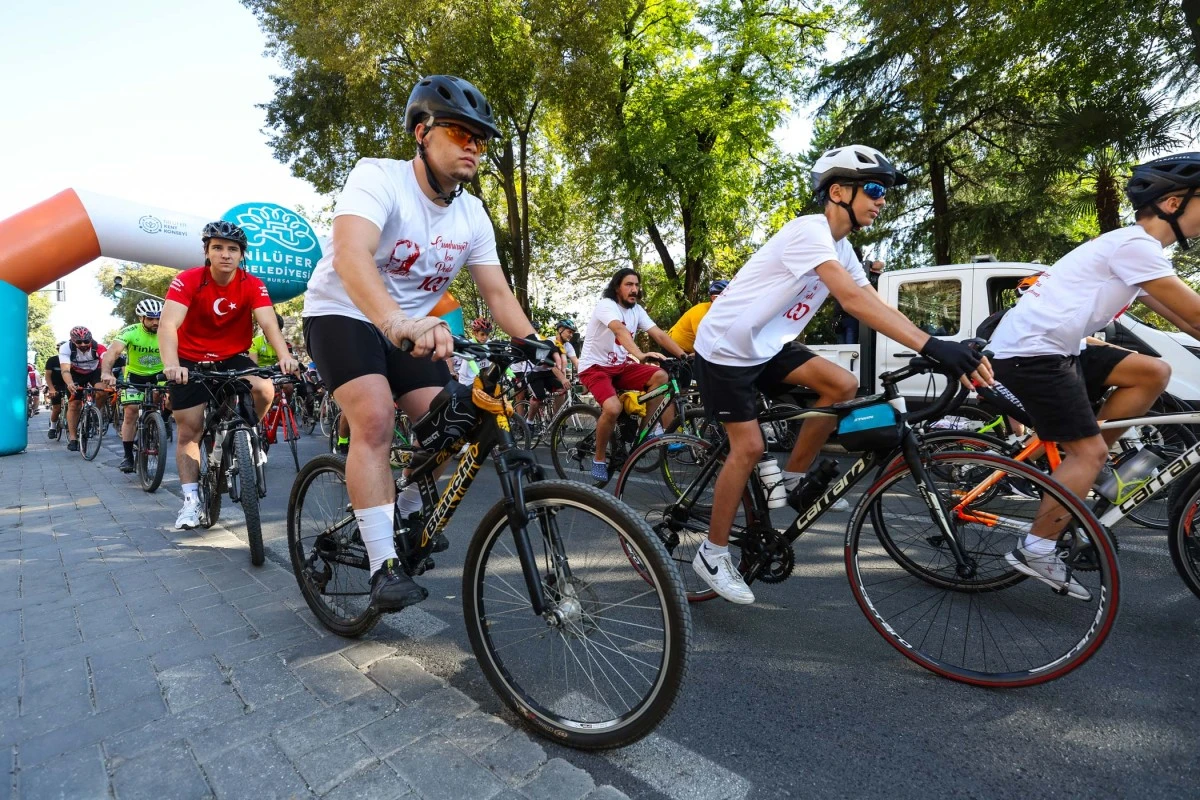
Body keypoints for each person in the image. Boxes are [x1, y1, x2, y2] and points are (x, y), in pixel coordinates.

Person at [301, 75, 558, 614]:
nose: (473, 145)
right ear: (422, 131)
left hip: (413, 328)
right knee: (372, 419)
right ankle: (381, 566)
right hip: (343, 312)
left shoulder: (472, 214)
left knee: (459, 420)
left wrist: (538, 344)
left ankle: (410, 502)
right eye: (460, 132)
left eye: (480, 138)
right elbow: (350, 255)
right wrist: (397, 320)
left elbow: (497, 293)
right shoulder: (379, 177)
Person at [691, 144, 991, 604]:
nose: (881, 200)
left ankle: (791, 481)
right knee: (748, 447)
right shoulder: (809, 231)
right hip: (728, 348)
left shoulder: (844, 247)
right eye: (874, 189)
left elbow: (873, 304)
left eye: (884, 193)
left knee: (843, 385)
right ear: (837, 191)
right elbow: (851, 302)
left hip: (769, 344)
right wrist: (933, 346)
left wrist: (937, 341)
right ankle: (711, 554)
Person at [988, 151, 1200, 599]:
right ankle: (1037, 547)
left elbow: (1188, 323)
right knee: (1088, 455)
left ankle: (1087, 463)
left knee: (1152, 372)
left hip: (1060, 347)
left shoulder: (1138, 252)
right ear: (1174, 202)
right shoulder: (1136, 247)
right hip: (1032, 353)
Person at [160, 220, 298, 530]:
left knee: (264, 389)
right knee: (189, 432)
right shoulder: (188, 280)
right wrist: (172, 364)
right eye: (218, 248)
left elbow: (269, 324)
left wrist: (285, 356)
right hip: (190, 360)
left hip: (232, 358)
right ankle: (191, 502)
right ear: (207, 251)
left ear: (241, 254)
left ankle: (248, 438)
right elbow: (168, 325)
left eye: (232, 249)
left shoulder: (252, 283)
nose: (225, 254)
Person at [577, 268, 689, 483]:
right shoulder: (607, 305)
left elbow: (658, 334)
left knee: (661, 377)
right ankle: (599, 459)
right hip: (595, 368)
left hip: (621, 367)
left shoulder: (637, 310)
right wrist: (640, 354)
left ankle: (643, 435)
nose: (634, 290)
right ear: (617, 287)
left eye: (637, 285)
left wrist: (684, 355)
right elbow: (619, 330)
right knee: (612, 408)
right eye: (629, 284)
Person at [100, 299, 164, 473]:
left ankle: (158, 428)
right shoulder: (130, 332)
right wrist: (107, 373)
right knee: (131, 412)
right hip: (135, 377)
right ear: (141, 318)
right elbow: (112, 353)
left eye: (158, 318)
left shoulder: (168, 330)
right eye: (150, 319)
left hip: (160, 376)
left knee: (171, 402)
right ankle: (128, 457)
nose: (155, 322)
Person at [59, 326, 109, 452]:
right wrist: (70, 383)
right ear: (72, 341)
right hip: (75, 374)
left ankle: (95, 412)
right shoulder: (66, 348)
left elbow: (106, 364)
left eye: (86, 341)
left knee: (102, 391)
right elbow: (65, 370)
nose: (83, 344)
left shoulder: (99, 348)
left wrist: (108, 376)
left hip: (94, 372)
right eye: (79, 342)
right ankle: (73, 438)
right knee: (74, 404)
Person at [832, 256, 885, 344]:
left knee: (850, 348)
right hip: (841, 319)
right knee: (842, 348)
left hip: (852, 318)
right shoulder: (843, 276)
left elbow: (879, 265)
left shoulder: (866, 274)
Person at [668, 280, 728, 354]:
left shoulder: (720, 312)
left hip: (689, 351)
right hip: (673, 348)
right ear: (714, 298)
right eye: (726, 297)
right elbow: (706, 342)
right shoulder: (701, 312)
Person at [43, 347, 67, 438]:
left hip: (68, 385)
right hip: (55, 386)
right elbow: (47, 376)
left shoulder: (72, 360)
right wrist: (51, 388)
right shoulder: (52, 360)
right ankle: (52, 428)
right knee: (57, 408)